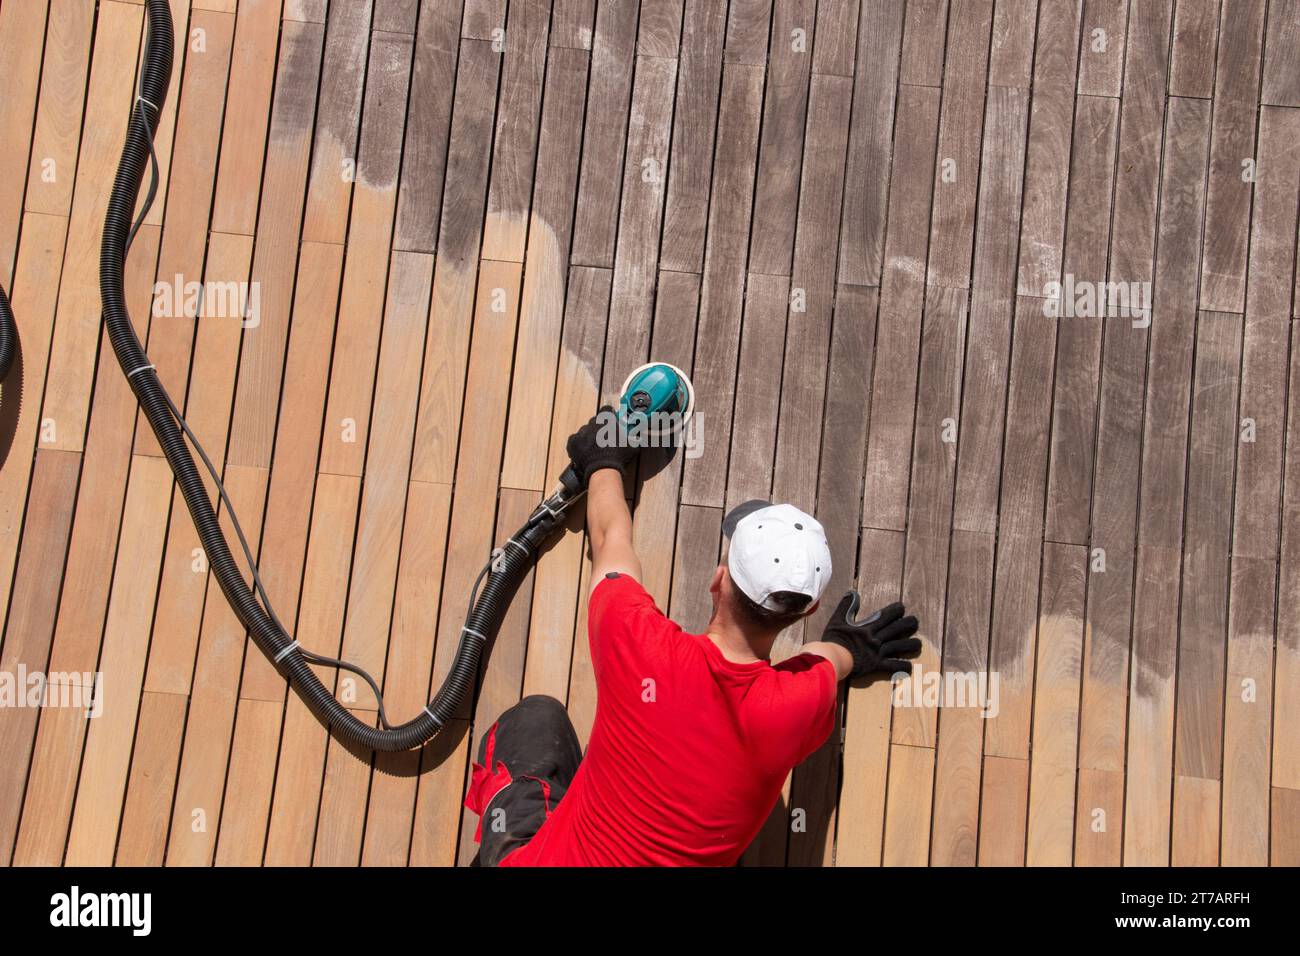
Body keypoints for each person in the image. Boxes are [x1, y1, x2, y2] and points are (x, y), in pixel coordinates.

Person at [463, 409, 921, 866]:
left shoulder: (638, 646)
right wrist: (852, 648)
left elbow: (609, 540)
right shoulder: (801, 703)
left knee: (538, 719)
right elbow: (831, 659)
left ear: (718, 579)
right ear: (810, 609)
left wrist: (601, 459)